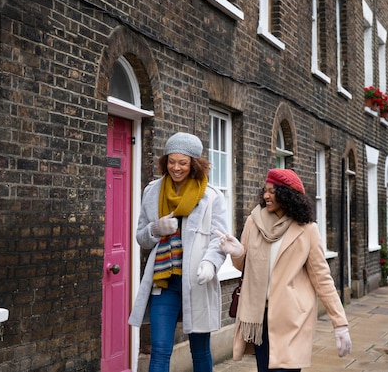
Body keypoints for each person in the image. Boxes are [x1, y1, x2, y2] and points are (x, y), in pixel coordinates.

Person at [217, 168, 352, 372]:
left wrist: (339, 322)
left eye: (272, 191)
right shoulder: (254, 222)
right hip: (260, 317)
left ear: (287, 195)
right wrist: (236, 253)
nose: (265, 196)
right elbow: (242, 268)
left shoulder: (307, 229)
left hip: (292, 318)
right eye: (265, 190)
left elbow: (322, 278)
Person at [128, 132, 230, 372]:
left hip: (197, 281)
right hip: (164, 283)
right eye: (171, 161)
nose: (176, 168)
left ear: (193, 164)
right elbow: (142, 237)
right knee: (160, 349)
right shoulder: (152, 191)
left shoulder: (211, 196)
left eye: (182, 162)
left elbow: (220, 240)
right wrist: (156, 228)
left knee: (200, 349)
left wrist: (210, 264)